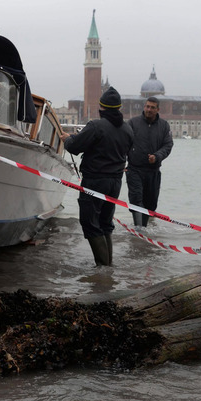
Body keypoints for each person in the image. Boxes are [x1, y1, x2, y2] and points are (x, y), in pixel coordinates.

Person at [61, 86, 133, 266]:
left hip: (94, 182)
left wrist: (67, 139)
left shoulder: (95, 126)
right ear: (119, 108)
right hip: (115, 183)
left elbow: (75, 147)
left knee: (90, 223)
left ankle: (102, 269)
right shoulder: (128, 129)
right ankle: (108, 267)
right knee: (105, 223)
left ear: (101, 108)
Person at [126, 96, 173, 227]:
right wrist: (120, 163)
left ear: (158, 109)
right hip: (134, 169)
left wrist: (157, 156)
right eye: (147, 106)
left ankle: (144, 229)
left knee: (150, 204)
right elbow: (123, 143)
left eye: (152, 107)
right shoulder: (133, 123)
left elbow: (168, 145)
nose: (149, 110)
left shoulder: (164, 126)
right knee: (136, 200)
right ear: (144, 107)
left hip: (153, 171)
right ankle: (138, 229)